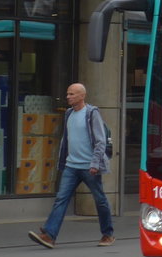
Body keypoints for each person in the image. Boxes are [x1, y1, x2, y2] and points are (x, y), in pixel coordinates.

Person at [28, 83, 114, 248]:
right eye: (68, 94)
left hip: (89, 167)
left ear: (82, 96)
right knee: (61, 199)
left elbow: (100, 141)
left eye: (72, 94)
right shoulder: (68, 113)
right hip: (72, 166)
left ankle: (108, 234)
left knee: (100, 200)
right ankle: (49, 235)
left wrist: (95, 163)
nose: (68, 97)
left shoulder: (91, 113)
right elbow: (66, 140)